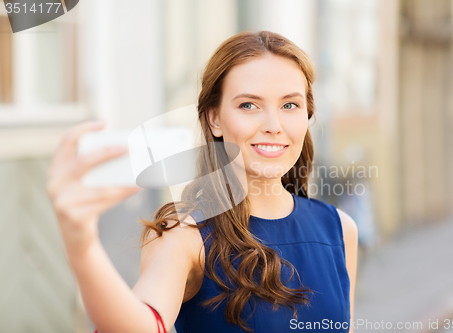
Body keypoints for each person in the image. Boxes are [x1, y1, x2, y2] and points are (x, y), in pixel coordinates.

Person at [46, 30, 358, 333]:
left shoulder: (340, 230)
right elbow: (139, 325)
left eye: (290, 105)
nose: (273, 126)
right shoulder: (186, 236)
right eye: (249, 105)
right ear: (215, 119)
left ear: (307, 115)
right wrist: (82, 245)